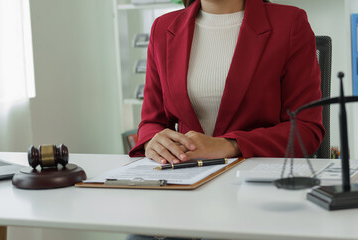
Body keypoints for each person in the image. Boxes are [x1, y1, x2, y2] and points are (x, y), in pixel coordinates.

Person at [129, 0, 324, 165]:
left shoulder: (289, 23)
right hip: (186, 179)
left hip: (255, 180)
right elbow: (152, 122)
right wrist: (153, 142)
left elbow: (306, 129)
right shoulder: (162, 28)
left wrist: (230, 145)